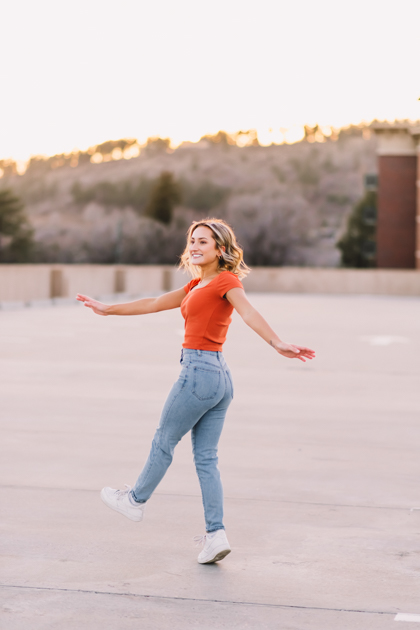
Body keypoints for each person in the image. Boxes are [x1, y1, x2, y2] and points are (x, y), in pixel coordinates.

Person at [76, 218, 315, 564]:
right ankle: (216, 535)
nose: (195, 247)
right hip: (218, 377)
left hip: (200, 373)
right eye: (192, 241)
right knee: (206, 459)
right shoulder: (195, 286)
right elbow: (154, 303)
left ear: (220, 249)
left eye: (204, 242)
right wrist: (108, 308)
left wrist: (276, 342)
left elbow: (247, 311)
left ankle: (135, 500)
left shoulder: (225, 281)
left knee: (164, 439)